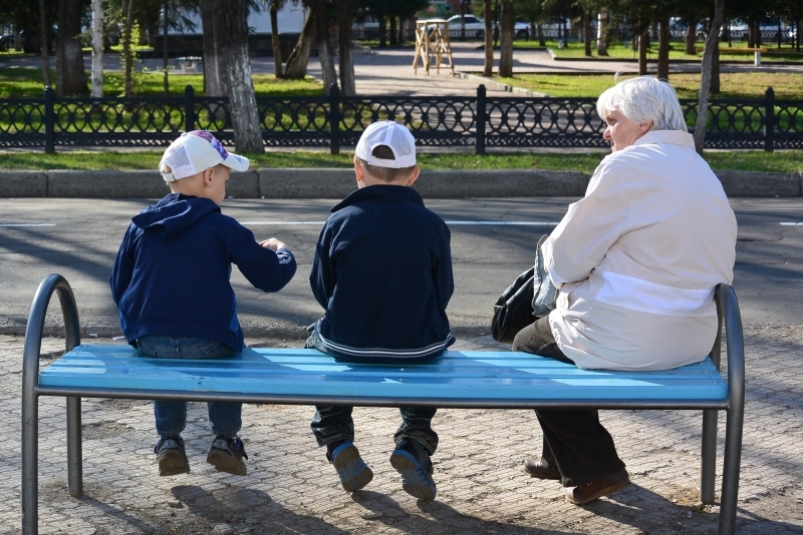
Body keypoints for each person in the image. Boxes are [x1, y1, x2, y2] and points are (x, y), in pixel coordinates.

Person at [513, 76, 737, 504]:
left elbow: (567, 256)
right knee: (557, 337)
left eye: (612, 120)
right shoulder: (701, 171)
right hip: (694, 338)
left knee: (528, 345)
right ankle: (559, 459)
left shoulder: (626, 167)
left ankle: (597, 467)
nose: (606, 130)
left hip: (631, 335)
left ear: (645, 124)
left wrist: (568, 278)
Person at [110, 130, 297, 477]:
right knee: (227, 348)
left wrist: (142, 322)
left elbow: (119, 284)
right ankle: (225, 439)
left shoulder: (142, 225)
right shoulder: (221, 226)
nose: (226, 186)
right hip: (208, 342)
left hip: (149, 338)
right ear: (210, 175)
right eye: (225, 178)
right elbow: (269, 276)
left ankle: (168, 440)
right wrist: (281, 251)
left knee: (163, 364)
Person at [306, 120, 455, 501]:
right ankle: (414, 441)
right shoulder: (433, 225)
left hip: (349, 343)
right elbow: (443, 291)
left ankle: (337, 437)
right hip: (417, 347)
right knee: (432, 353)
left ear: (357, 168)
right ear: (415, 175)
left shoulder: (339, 221)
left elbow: (323, 289)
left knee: (314, 340)